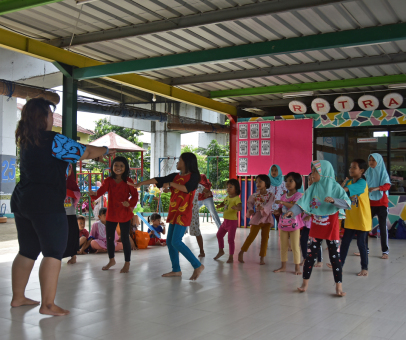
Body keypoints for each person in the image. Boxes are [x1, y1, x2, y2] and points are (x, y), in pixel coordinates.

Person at [10, 98, 110, 316]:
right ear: (44, 117)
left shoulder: (26, 139)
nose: (51, 117)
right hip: (45, 202)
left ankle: (18, 297)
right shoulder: (53, 139)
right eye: (49, 113)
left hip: (22, 199)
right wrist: (105, 148)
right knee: (53, 252)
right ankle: (48, 305)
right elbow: (85, 152)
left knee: (27, 250)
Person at [131, 153, 204, 280]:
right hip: (174, 212)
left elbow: (187, 189)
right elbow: (158, 180)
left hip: (184, 213)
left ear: (186, 162)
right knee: (170, 243)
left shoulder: (194, 176)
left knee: (176, 241)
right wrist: (140, 183)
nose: (177, 161)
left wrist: (170, 184)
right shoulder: (175, 176)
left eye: (180, 159)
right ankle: (176, 270)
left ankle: (197, 265)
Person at [285, 160, 351, 297]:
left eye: (315, 171)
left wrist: (334, 201)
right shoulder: (313, 188)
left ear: (324, 173)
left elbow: (346, 202)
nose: (312, 174)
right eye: (312, 171)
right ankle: (304, 284)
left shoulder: (335, 187)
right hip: (316, 227)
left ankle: (339, 287)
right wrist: (293, 212)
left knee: (335, 258)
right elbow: (302, 202)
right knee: (310, 257)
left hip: (331, 226)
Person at [90, 156, 138, 273]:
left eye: (121, 166)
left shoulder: (128, 181)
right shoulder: (108, 181)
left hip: (124, 213)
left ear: (125, 167)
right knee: (110, 238)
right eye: (116, 165)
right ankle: (112, 260)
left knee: (125, 238)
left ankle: (127, 263)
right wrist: (92, 194)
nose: (118, 168)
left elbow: (135, 196)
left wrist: (130, 203)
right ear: (112, 167)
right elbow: (99, 193)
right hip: (111, 213)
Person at [338, 159, 372, 276]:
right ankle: (339, 264)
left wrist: (342, 188)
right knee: (345, 242)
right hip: (351, 219)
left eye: (354, 167)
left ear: (361, 170)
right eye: (350, 167)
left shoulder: (362, 183)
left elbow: (345, 191)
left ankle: (364, 268)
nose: (351, 169)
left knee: (361, 244)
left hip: (362, 219)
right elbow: (343, 199)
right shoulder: (349, 182)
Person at [238, 174, 275, 265]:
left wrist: (263, 208)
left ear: (266, 183)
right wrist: (250, 210)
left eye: (260, 181)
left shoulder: (271, 195)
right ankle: (242, 251)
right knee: (251, 236)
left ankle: (262, 257)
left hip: (267, 218)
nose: (258, 183)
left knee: (265, 238)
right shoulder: (254, 195)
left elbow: (269, 205)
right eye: (256, 182)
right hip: (257, 217)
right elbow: (249, 203)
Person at [274, 172, 303, 275]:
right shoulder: (283, 196)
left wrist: (282, 203)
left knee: (295, 247)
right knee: (283, 246)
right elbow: (282, 210)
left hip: (295, 225)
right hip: (283, 225)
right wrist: (278, 211)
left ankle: (297, 267)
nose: (288, 183)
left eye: (291, 181)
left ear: (297, 182)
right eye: (286, 181)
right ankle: (283, 266)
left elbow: (294, 206)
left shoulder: (299, 195)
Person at [363, 153, 391, 259]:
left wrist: (376, 188)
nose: (371, 162)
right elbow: (363, 183)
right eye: (370, 160)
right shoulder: (367, 172)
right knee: (365, 227)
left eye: (373, 160)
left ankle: (385, 251)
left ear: (378, 161)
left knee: (383, 227)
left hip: (381, 203)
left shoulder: (383, 172)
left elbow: (387, 185)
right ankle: (365, 249)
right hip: (369, 203)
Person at [214, 179, 242, 263]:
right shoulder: (227, 197)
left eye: (231, 187)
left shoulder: (236, 198)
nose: (228, 189)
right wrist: (219, 206)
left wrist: (236, 208)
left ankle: (231, 256)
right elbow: (224, 203)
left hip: (232, 222)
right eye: (227, 187)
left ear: (236, 189)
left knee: (230, 240)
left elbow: (240, 207)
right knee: (219, 235)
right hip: (225, 221)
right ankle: (221, 251)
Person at [300, 174, 323, 267]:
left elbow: (319, 207)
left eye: (312, 178)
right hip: (306, 222)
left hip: (315, 222)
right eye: (309, 179)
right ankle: (305, 258)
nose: (310, 181)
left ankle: (320, 260)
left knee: (316, 242)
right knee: (303, 240)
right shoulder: (307, 192)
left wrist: (311, 215)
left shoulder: (320, 192)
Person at [62, 165, 82, 265]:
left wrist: (66, 192)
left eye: (69, 168)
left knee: (72, 236)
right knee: (59, 236)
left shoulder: (71, 182)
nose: (67, 170)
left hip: (70, 214)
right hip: (57, 214)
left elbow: (77, 194)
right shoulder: (54, 181)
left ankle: (73, 256)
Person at [190, 182, 206, 257]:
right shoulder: (181, 182)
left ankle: (202, 251)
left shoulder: (196, 184)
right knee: (178, 232)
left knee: (196, 231)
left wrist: (207, 193)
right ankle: (177, 250)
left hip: (193, 211)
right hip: (182, 211)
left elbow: (205, 190)